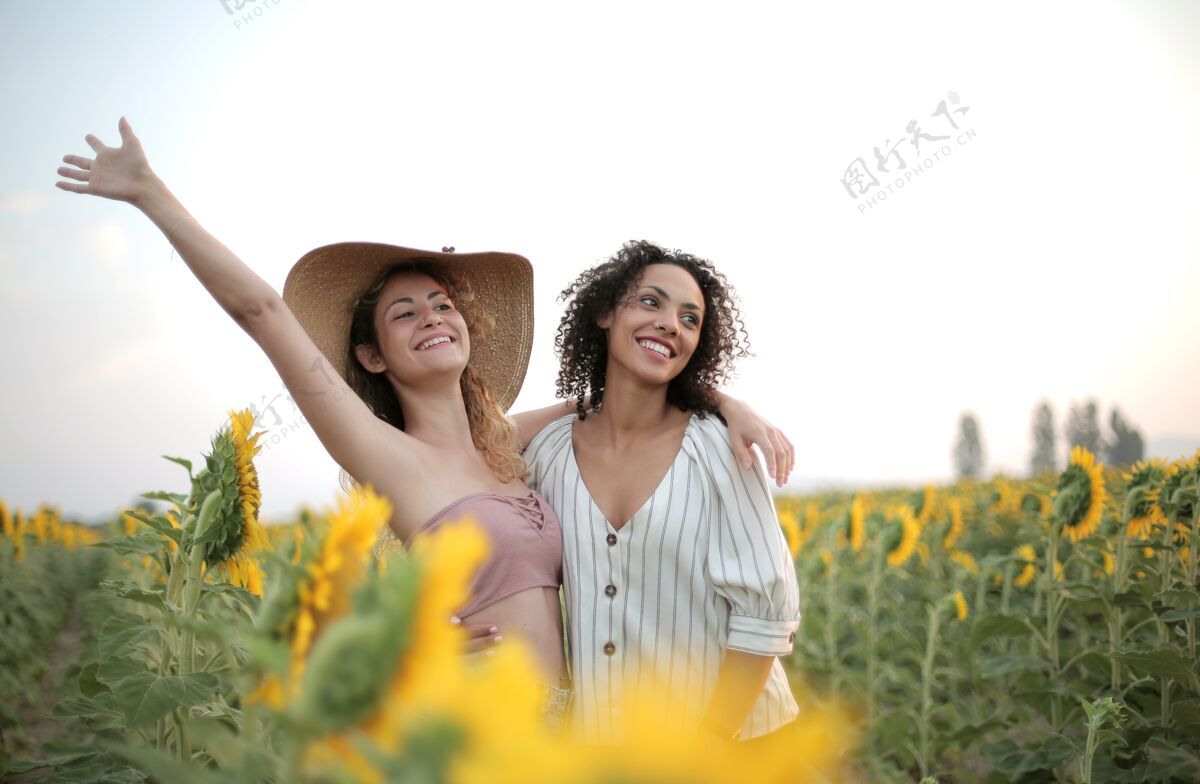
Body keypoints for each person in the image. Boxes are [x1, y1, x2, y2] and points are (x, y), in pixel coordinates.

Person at [54, 120, 793, 729]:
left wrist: (725, 402)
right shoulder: (386, 455)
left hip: (567, 730)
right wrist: (152, 196)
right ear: (372, 355)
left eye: (442, 305)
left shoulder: (509, 448)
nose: (431, 318)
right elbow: (263, 312)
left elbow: (613, 404)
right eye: (403, 313)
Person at [522, 240, 802, 743]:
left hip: (737, 753)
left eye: (690, 319)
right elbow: (470, 449)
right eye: (651, 302)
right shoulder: (547, 454)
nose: (672, 324)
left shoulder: (719, 446)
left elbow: (766, 614)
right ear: (605, 312)